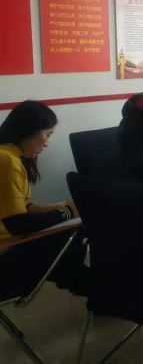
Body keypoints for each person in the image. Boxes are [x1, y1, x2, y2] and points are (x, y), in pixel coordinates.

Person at [0, 101, 86, 296]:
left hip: (9, 244)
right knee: (77, 233)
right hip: (5, 255)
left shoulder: (8, 155)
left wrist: (64, 207)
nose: (47, 142)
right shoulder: (7, 161)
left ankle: (79, 282)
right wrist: (67, 212)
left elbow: (25, 208)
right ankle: (82, 284)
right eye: (47, 134)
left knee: (73, 232)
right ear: (29, 131)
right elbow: (17, 224)